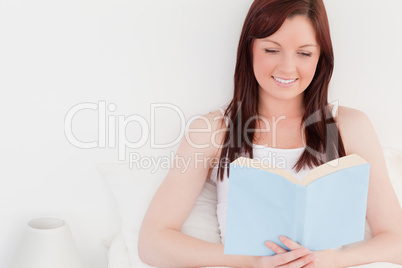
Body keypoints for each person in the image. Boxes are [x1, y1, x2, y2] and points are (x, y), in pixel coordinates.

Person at [138, 0, 402, 267]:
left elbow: (396, 241)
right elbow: (152, 243)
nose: (287, 68)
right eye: (272, 50)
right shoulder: (214, 131)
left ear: (321, 57)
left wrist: (333, 260)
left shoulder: (349, 126)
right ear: (249, 50)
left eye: (304, 53)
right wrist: (252, 261)